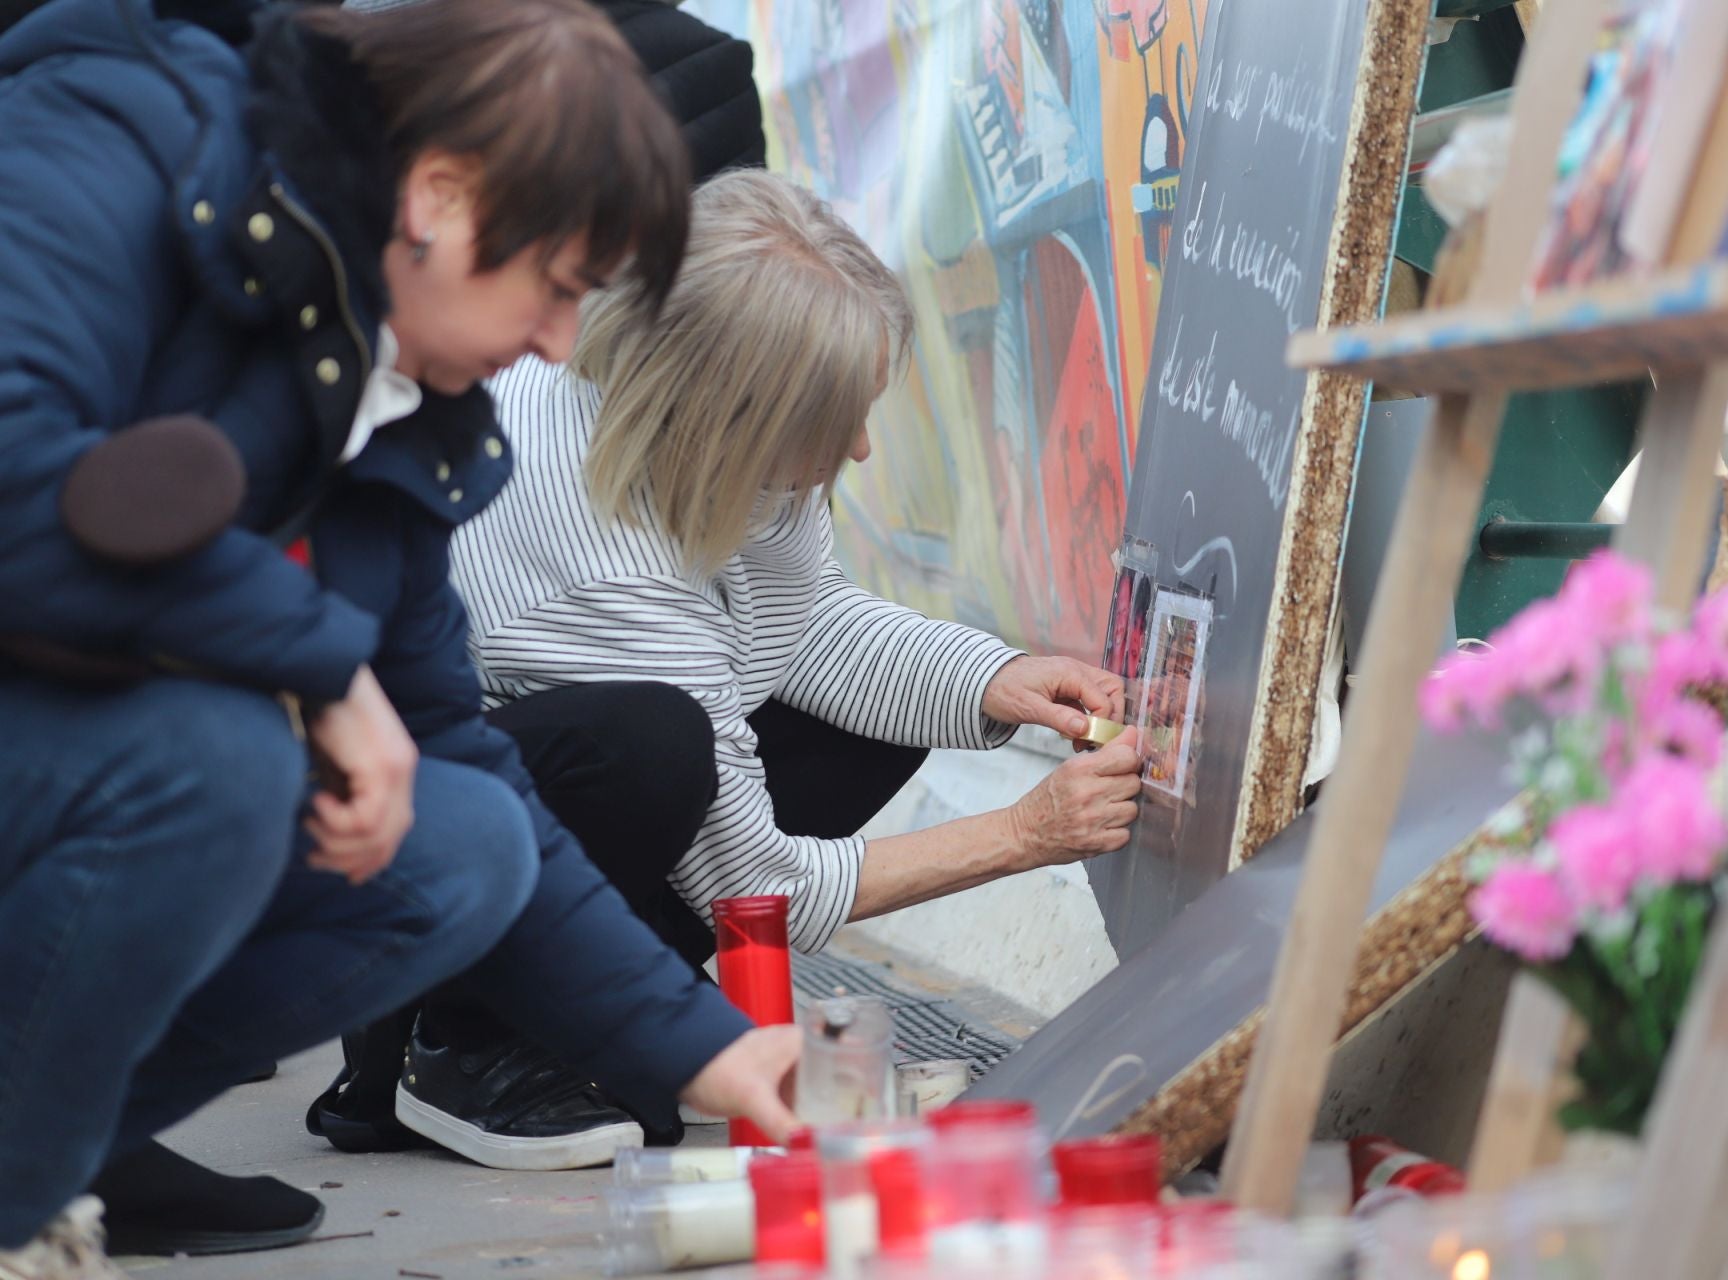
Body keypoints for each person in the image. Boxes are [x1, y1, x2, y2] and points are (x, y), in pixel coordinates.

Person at [0, 0, 797, 1273]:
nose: (553, 342)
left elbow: (460, 754)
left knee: (457, 847)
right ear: (438, 193)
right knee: (218, 762)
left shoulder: (398, 397)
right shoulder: (106, 145)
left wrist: (701, 1046)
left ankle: (27, 1167)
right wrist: (316, 668)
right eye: (558, 286)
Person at [360, 167, 1142, 1170]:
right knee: (649, 745)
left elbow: (802, 625)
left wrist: (993, 677)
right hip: (401, 870)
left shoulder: (700, 431)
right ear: (733, 416)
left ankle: (597, 1015)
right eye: (835, 424)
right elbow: (755, 878)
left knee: (865, 715)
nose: (859, 449)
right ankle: (466, 1041)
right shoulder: (589, 551)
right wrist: (1027, 833)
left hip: (543, 767)